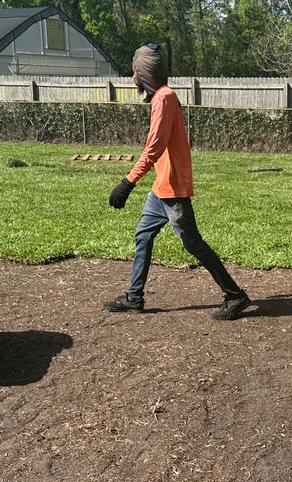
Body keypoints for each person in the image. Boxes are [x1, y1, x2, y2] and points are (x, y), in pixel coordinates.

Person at [104, 43, 252, 320]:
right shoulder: (161, 97)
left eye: (135, 72)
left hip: (173, 190)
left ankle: (235, 295)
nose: (133, 77)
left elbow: (154, 148)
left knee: (193, 243)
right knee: (143, 236)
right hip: (160, 189)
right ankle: (134, 297)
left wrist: (127, 183)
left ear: (144, 73)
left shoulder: (164, 98)